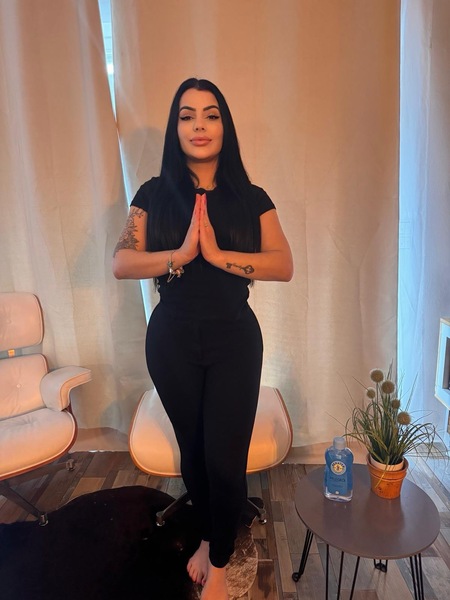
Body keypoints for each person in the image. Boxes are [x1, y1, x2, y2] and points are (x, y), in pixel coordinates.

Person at [113, 78, 293, 600]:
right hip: (171, 341)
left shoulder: (252, 198)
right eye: (187, 115)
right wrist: (181, 255)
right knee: (193, 452)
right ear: (176, 128)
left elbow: (283, 265)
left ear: (224, 126)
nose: (199, 125)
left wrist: (216, 257)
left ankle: (218, 562)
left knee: (223, 458)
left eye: (210, 114)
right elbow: (122, 262)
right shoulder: (152, 194)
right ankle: (211, 534)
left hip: (234, 340)